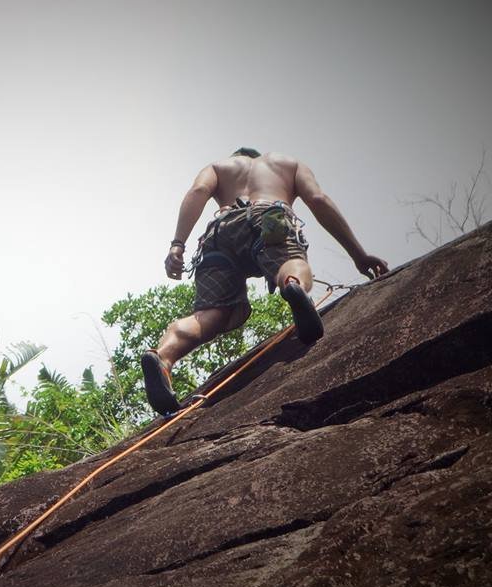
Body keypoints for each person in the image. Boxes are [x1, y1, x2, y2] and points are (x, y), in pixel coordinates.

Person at [141, 148, 389, 415]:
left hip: (219, 232)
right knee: (290, 261)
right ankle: (292, 283)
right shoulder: (289, 163)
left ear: (237, 157)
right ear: (257, 155)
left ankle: (163, 356)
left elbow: (198, 192)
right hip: (270, 215)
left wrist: (177, 245)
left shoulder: (218, 167)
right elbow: (318, 199)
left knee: (213, 313)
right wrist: (358, 255)